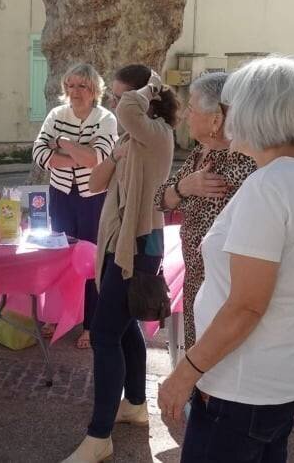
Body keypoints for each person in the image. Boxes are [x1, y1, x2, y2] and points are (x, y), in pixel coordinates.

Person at [157, 56, 294, 462]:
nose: (226, 119)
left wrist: (186, 372)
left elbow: (246, 306)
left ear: (254, 112)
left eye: (230, 107)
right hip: (282, 370)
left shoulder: (269, 186)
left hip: (246, 383)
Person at [61, 65, 177, 463]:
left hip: (140, 246)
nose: (113, 101)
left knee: (106, 335)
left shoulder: (158, 134)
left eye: (118, 94)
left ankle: (99, 437)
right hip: (118, 245)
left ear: (143, 99)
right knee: (126, 331)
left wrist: (152, 85)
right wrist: (115, 154)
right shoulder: (132, 138)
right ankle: (136, 405)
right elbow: (94, 183)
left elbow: (128, 108)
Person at [155, 72, 257, 349]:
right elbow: (160, 200)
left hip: (224, 290)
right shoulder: (202, 152)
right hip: (195, 281)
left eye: (191, 108)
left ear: (215, 119)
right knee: (195, 358)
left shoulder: (244, 164)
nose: (186, 115)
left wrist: (178, 191)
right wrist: (183, 188)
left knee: (214, 362)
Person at [31, 63, 118, 350]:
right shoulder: (57, 114)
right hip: (61, 196)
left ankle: (91, 324)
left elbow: (97, 158)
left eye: (81, 85)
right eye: (70, 85)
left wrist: (63, 142)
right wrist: (75, 155)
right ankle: (55, 316)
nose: (74, 91)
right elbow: (40, 153)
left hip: (94, 197)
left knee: (93, 261)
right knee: (61, 257)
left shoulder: (105, 119)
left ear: (94, 90)